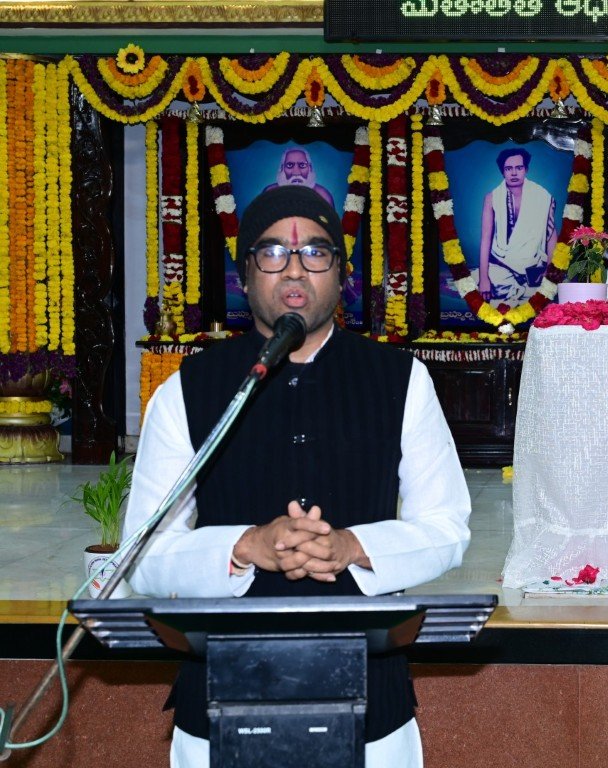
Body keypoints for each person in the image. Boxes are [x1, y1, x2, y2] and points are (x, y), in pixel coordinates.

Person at [123, 185, 470, 768]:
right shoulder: (189, 388)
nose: (294, 269)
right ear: (244, 274)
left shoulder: (401, 379)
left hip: (374, 712)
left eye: (315, 252)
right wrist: (244, 547)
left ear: (342, 274)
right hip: (219, 706)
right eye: (272, 253)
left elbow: (448, 527)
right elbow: (143, 556)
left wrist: (351, 546)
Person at [477, 147, 558, 303]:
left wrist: (549, 270)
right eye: (508, 168)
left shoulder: (542, 196)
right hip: (500, 265)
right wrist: (484, 278)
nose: (514, 173)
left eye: (519, 168)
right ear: (503, 172)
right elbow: (486, 238)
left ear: (526, 169)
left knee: (549, 290)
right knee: (486, 285)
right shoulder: (492, 198)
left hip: (533, 264)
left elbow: (551, 235)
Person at [263, 146, 336, 207]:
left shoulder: (323, 196)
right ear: (282, 168)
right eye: (289, 165)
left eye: (302, 165)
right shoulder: (270, 193)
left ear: (310, 168)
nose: (296, 172)